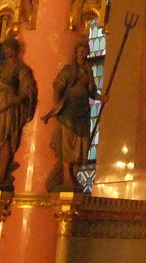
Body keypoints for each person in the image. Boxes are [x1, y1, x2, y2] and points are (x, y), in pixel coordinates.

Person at [0, 37, 37, 191]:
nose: (5, 51)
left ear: (16, 50)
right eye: (4, 48)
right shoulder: (0, 68)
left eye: (8, 48)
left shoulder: (20, 68)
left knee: (4, 140)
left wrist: (14, 101)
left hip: (7, 109)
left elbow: (27, 89)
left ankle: (1, 173)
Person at [43, 40, 102, 192]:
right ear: (75, 53)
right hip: (69, 110)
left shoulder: (88, 70)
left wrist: (102, 98)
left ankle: (74, 176)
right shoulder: (69, 69)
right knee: (67, 145)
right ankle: (66, 177)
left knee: (81, 145)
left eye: (85, 51)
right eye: (80, 51)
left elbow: (91, 92)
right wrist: (57, 104)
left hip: (82, 111)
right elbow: (58, 85)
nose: (83, 54)